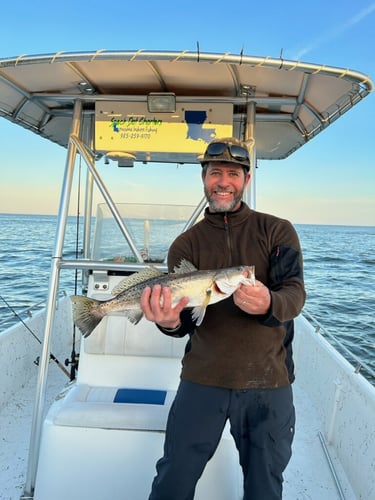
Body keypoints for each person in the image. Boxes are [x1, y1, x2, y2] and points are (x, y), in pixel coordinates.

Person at [140, 136, 306, 500]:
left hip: (268, 381)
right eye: (216, 172)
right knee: (172, 480)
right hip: (203, 378)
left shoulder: (277, 231)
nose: (224, 181)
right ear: (204, 178)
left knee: (264, 487)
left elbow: (294, 295)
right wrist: (167, 322)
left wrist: (268, 303)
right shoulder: (185, 245)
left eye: (233, 173)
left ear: (246, 180)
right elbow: (184, 321)